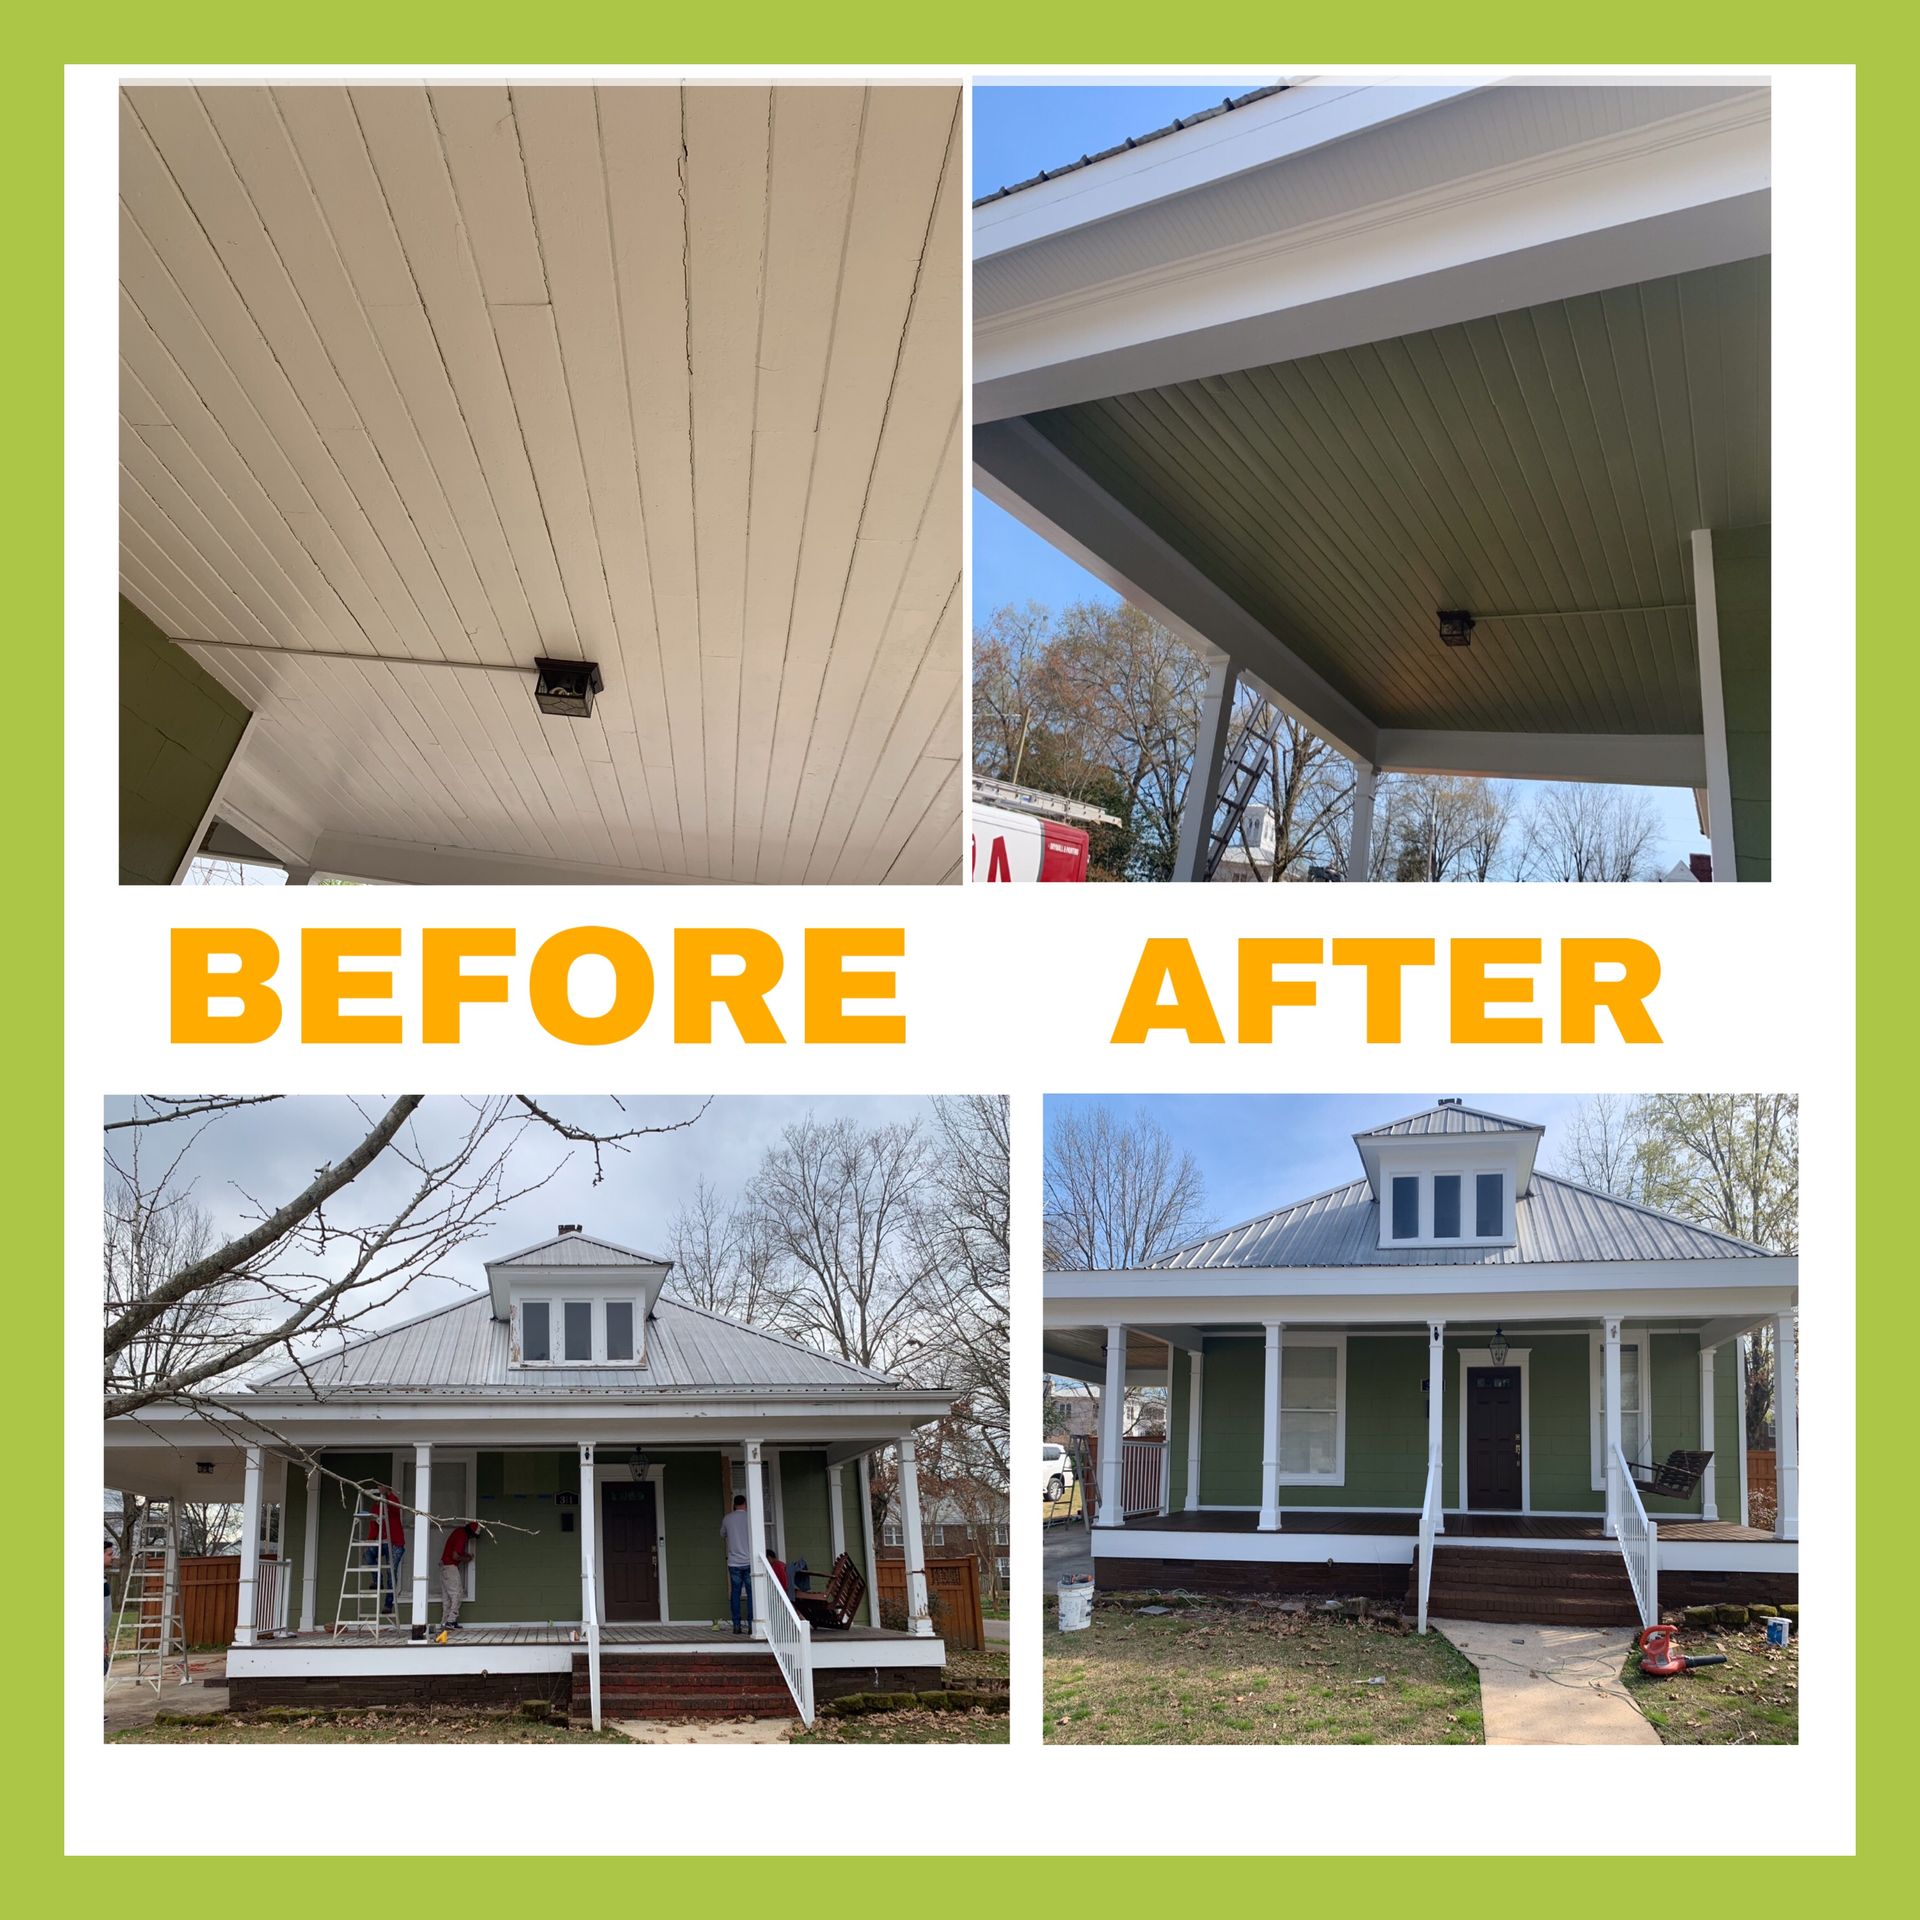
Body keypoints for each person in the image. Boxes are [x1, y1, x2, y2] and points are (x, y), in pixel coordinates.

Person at [720, 1493, 755, 1635]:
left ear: (734, 1504)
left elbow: (722, 1534)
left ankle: (736, 1625)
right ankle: (752, 1624)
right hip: (749, 1562)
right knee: (752, 1594)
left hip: (734, 1562)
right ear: (745, 1504)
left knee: (735, 1593)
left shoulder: (728, 1518)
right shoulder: (750, 1517)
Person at [370, 1483, 406, 1615]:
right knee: (368, 1554)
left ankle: (388, 1604)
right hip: (382, 1542)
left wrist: (388, 1494)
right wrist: (370, 1540)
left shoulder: (392, 1503)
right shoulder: (375, 1507)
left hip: (395, 1543)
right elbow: (374, 1526)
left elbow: (396, 1506)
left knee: (391, 1572)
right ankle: (376, 1580)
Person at [439, 1522, 478, 1630]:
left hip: (444, 1567)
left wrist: (465, 1555)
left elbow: (455, 1552)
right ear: (470, 1533)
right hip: (450, 1567)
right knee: (457, 1594)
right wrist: (467, 1559)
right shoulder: (462, 1536)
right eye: (473, 1536)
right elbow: (455, 1556)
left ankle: (445, 1622)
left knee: (447, 1597)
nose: (471, 1538)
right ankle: (451, 1621)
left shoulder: (458, 1532)